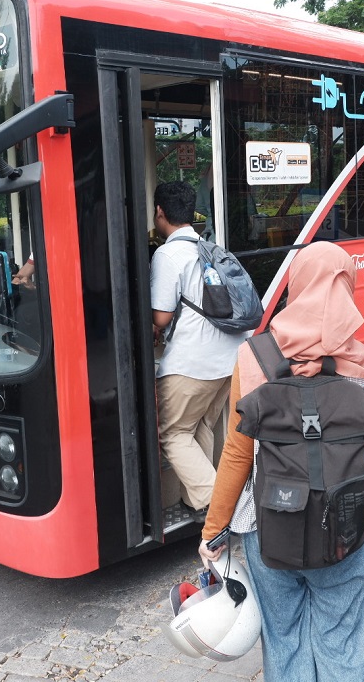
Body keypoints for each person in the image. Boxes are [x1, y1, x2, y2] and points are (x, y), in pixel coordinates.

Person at [199, 241, 364, 681]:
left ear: (296, 285)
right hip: (344, 531)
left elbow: (237, 455)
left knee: (284, 642)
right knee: (346, 642)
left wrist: (213, 532)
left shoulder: (253, 358)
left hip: (269, 528)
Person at [150, 180, 245, 518]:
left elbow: (160, 316)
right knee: (199, 427)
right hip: (229, 359)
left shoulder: (168, 253)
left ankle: (216, 505)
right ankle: (196, 502)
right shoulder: (211, 248)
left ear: (160, 212)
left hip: (193, 363)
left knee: (172, 433)